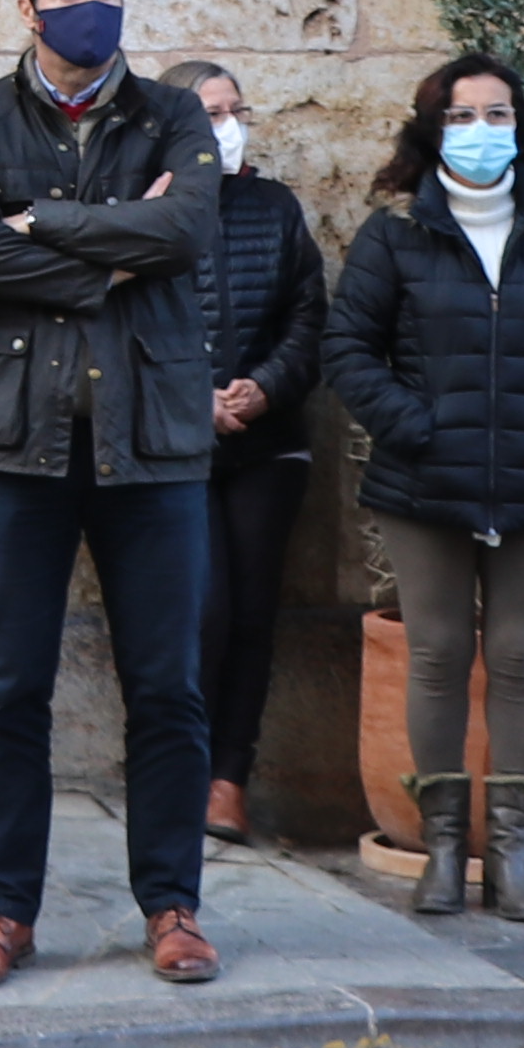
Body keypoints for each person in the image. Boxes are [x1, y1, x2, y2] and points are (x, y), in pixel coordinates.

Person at [0, 0, 223, 993]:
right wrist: (112, 258)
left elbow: (185, 232)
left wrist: (41, 222)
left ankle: (173, 907)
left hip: (153, 441)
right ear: (28, 8)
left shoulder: (174, 114)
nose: (89, 5)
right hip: (14, 443)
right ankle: (4, 911)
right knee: (7, 690)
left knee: (168, 688)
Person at [329, 51, 524, 925]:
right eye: (461, 117)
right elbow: (349, 348)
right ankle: (440, 851)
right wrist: (416, 427)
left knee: (520, 657)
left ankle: (510, 855)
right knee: (434, 656)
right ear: (432, 131)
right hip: (423, 481)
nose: (480, 132)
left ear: (520, 126)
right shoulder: (395, 234)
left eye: (497, 115)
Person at [177, 59, 327, 848]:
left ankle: (229, 777)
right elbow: (121, 321)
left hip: (268, 444)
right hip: (177, 446)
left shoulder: (275, 208)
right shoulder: (146, 210)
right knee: (200, 610)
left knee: (252, 614)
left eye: (235, 111)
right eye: (210, 113)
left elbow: (308, 317)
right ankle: (180, 766)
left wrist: (264, 388)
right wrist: (192, 398)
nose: (228, 127)